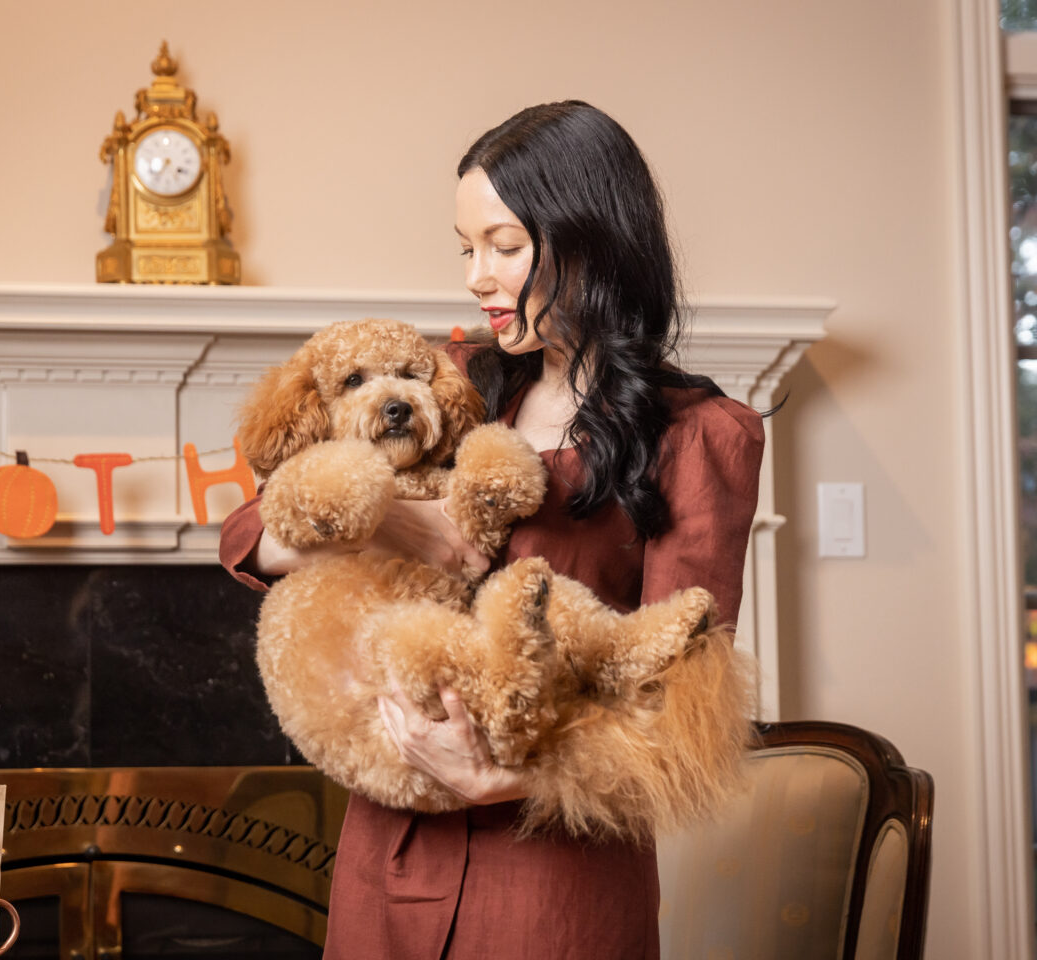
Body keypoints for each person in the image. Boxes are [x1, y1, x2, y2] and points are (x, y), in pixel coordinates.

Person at [219, 100, 764, 960]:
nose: (477, 277)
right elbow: (255, 530)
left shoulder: (701, 434)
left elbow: (681, 707)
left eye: (504, 246)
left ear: (591, 239)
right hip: (389, 853)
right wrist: (400, 524)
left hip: (553, 873)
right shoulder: (459, 386)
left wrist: (493, 778)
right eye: (466, 248)